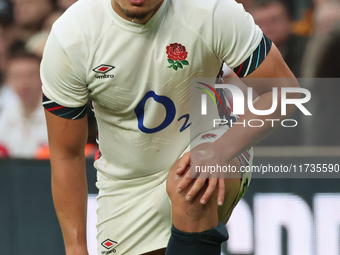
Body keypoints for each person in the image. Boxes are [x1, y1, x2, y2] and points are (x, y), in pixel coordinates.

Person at [40, 0, 298, 254]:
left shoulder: (212, 11)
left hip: (214, 142)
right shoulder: (72, 36)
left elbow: (283, 91)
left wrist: (220, 151)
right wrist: (75, 248)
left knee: (190, 184)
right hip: (127, 182)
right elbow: (66, 154)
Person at [0, 50, 48, 158]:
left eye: (30, 75)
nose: (24, 82)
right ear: (8, 80)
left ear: (43, 77)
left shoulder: (57, 114)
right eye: (17, 76)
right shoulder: (4, 115)